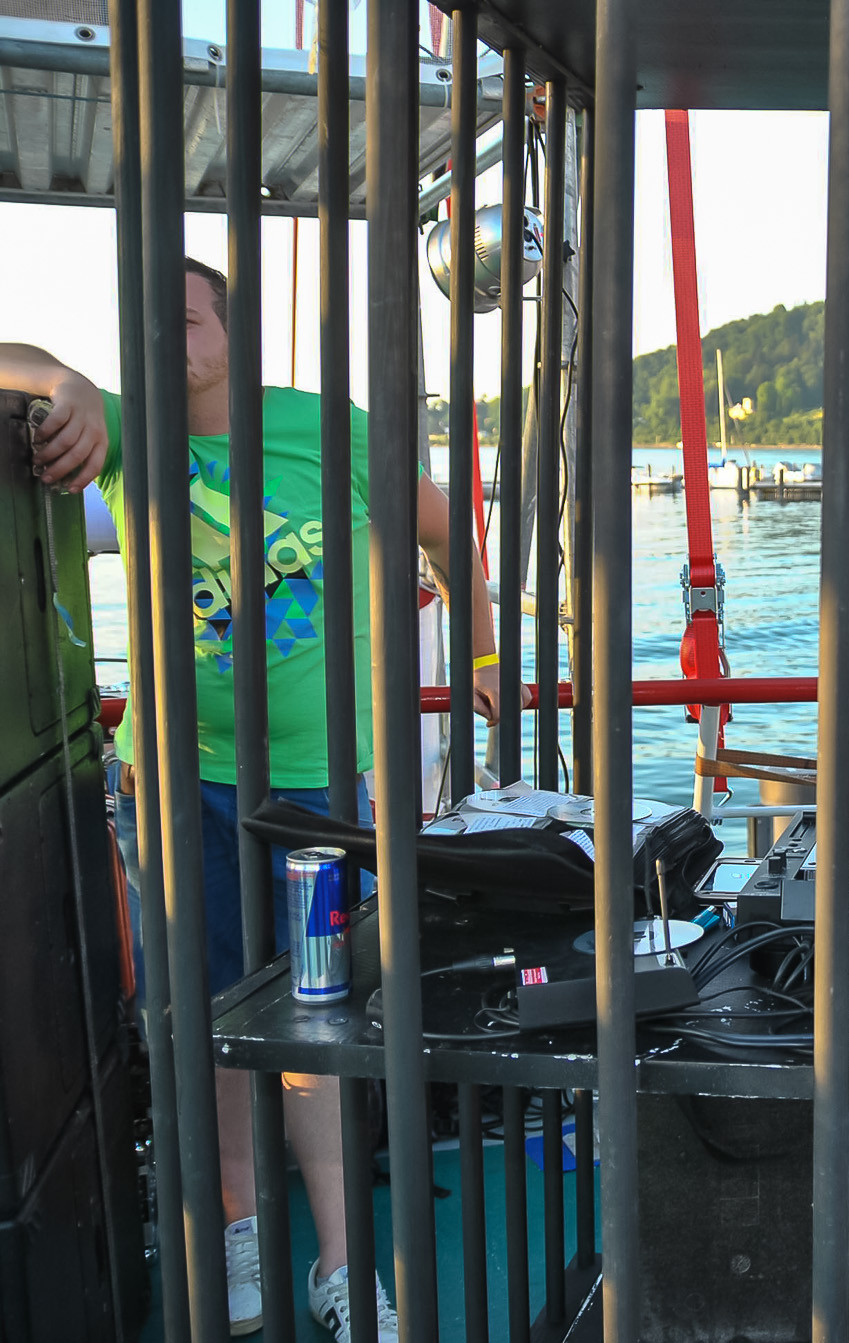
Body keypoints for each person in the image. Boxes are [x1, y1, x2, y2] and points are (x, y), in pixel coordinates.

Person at [4, 258, 503, 1343]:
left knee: (319, 1017)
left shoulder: (331, 431)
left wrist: (480, 650)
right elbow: (7, 359)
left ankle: (343, 1257)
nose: (166, 338)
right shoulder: (128, 431)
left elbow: (444, 531)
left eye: (186, 320)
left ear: (234, 333)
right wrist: (66, 381)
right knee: (211, 1012)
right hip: (178, 783)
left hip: (318, 789)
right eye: (148, 323)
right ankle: (238, 1231)